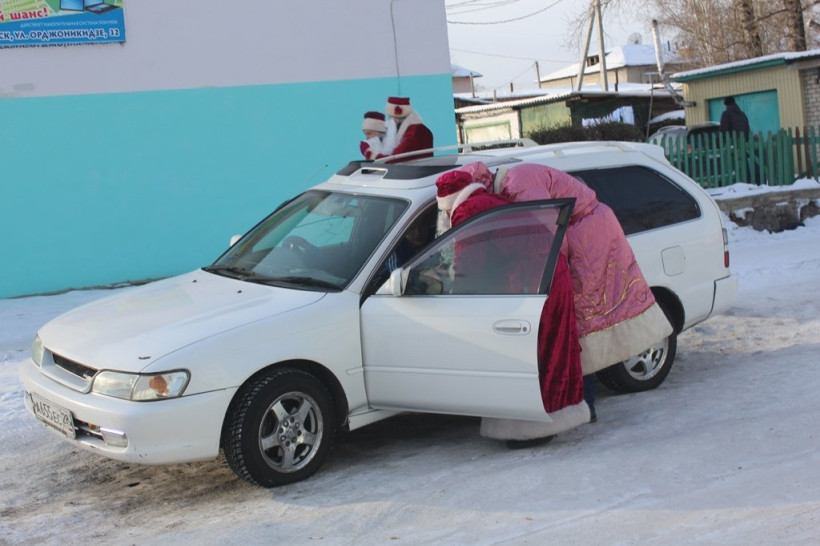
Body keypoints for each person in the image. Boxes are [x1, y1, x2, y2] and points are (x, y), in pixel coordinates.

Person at [497, 163, 674, 421]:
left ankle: (585, 405)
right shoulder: (520, 176)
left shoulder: (518, 182)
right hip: (593, 229)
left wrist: (552, 270)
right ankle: (586, 403)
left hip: (585, 237)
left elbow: (548, 232)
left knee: (582, 324)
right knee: (587, 322)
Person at [435, 165, 589, 449]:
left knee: (528, 358)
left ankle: (529, 430)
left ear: (448, 204)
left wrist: (457, 297)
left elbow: (471, 265)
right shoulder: (488, 201)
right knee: (551, 354)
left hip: (532, 286)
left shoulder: (466, 212)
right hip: (551, 277)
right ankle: (552, 420)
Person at [372, 96, 434, 162]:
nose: (390, 121)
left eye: (391, 118)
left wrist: (376, 156)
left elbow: (397, 157)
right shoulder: (416, 129)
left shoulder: (415, 131)